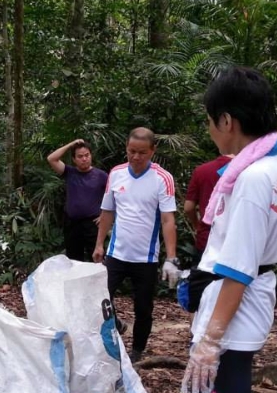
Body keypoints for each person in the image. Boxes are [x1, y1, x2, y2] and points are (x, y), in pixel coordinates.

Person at [170, 67, 277, 393]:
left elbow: (239, 269)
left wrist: (210, 339)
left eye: (208, 120)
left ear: (226, 120)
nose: (208, 129)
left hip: (238, 306)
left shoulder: (255, 178)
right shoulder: (271, 162)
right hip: (232, 296)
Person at [93, 127, 178, 363]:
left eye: (142, 152)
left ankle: (138, 351)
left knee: (143, 309)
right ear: (126, 149)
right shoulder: (116, 173)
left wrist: (171, 258)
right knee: (100, 299)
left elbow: (168, 219)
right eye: (132, 151)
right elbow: (108, 211)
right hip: (117, 253)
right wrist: (100, 244)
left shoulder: (162, 178)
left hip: (146, 258)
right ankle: (116, 328)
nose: (136, 157)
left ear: (152, 151)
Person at [47, 139, 108, 262]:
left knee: (96, 258)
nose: (84, 159)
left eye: (87, 155)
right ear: (74, 159)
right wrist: (71, 144)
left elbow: (113, 197)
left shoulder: (101, 176)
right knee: (73, 260)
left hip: (93, 224)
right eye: (80, 156)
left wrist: (104, 215)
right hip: (72, 224)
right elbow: (51, 159)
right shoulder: (69, 172)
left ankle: (98, 281)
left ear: (91, 156)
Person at [184, 153, 233, 266]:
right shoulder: (251, 170)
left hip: (207, 239)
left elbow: (188, 207)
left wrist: (196, 225)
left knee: (203, 282)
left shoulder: (202, 170)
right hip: (235, 243)